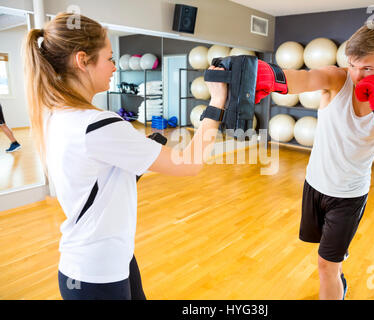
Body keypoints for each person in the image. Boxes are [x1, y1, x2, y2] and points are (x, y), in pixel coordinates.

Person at [24, 13, 227, 300]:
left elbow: (96, 178)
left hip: (108, 259)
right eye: (109, 58)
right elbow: (190, 165)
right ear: (82, 61)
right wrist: (217, 101)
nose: (114, 67)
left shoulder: (56, 115)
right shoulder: (98, 124)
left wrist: (136, 153)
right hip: (97, 274)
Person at [255, 23, 374, 299]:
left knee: (325, 265)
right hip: (314, 184)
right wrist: (258, 74)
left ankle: (334, 275)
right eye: (353, 65)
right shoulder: (336, 79)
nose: (357, 75)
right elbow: (300, 79)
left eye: (368, 69)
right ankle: (337, 271)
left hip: (349, 195)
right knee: (329, 261)